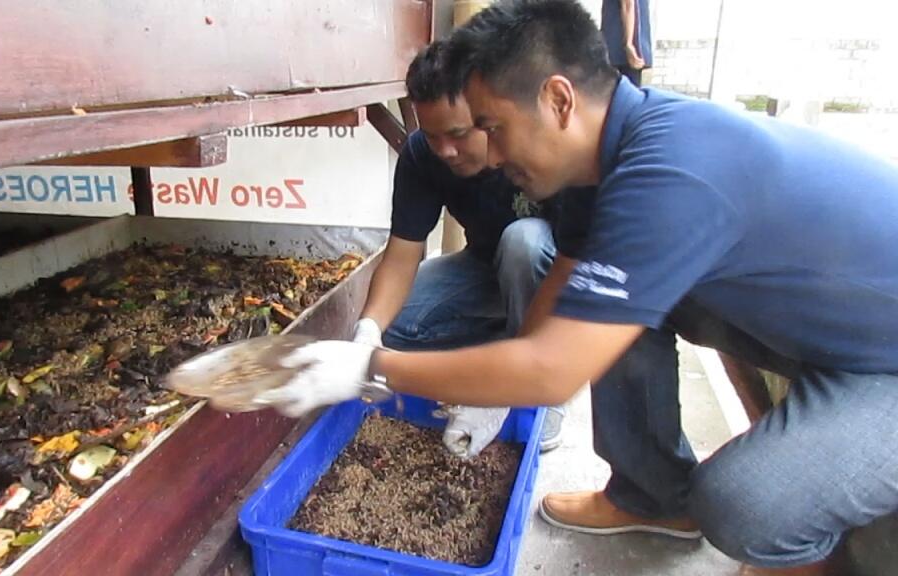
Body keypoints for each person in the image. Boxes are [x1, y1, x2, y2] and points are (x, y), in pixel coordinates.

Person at [256, 1, 898, 574]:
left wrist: (372, 365)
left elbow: (552, 370)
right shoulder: (606, 167)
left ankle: (799, 551)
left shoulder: (672, 169)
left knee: (743, 508)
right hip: (837, 341)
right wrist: (495, 383)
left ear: (559, 100)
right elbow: (563, 313)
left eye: (493, 127)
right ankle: (647, 497)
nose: (490, 152)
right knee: (622, 310)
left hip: (883, 367)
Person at [353, 41, 566, 458]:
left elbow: (579, 266)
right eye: (432, 136)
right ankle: (505, 343)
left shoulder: (539, 150)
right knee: (400, 326)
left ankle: (542, 390)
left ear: (490, 114)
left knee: (523, 242)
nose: (445, 151)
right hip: (485, 268)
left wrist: (508, 386)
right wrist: (369, 330)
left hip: (554, 280)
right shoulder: (422, 156)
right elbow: (402, 253)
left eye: (458, 134)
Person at [601, 0, 651, 86]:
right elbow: (628, 5)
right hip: (625, 46)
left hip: (621, 47)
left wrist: (629, 44)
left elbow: (628, 5)